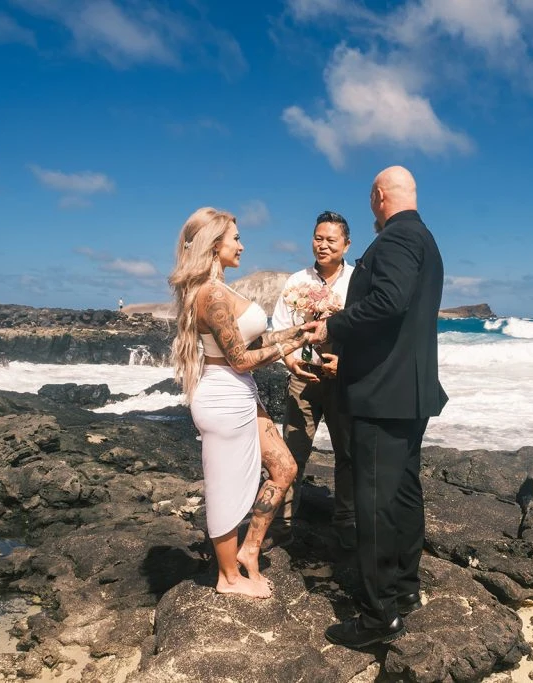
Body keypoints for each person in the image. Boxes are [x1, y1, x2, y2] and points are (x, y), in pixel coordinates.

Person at [309, 166, 448, 648]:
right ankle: (405, 590)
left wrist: (336, 326)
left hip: (381, 395)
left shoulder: (392, 241)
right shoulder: (425, 239)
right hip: (410, 393)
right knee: (404, 494)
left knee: (372, 504)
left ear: (378, 196)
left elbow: (388, 302)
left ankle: (376, 616)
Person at [168, 206, 309, 599]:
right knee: (226, 489)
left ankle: (249, 551)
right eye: (236, 238)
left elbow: (250, 342)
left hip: (241, 391)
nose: (242, 246)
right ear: (215, 245)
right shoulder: (211, 294)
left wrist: (301, 329)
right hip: (224, 397)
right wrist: (292, 345)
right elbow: (240, 358)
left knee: (284, 467)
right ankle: (228, 578)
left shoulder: (222, 288)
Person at [270, 211, 355, 548]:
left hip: (343, 378)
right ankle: (282, 523)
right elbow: (279, 328)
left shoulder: (357, 281)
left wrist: (346, 363)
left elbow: (367, 327)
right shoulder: (296, 280)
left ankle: (347, 523)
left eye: (330, 240)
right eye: (318, 238)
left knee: (347, 453)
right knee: (291, 452)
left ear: (346, 245)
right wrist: (289, 359)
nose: (322, 245)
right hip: (302, 378)